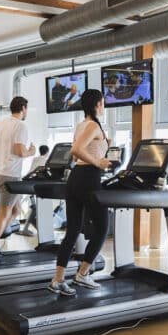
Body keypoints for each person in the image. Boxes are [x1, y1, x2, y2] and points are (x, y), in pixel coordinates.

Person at [48, 89, 111, 296]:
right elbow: (75, 151)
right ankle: (83, 273)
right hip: (89, 178)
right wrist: (99, 163)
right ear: (97, 104)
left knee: (73, 230)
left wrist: (98, 155)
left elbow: (76, 157)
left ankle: (58, 280)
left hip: (76, 178)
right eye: (102, 103)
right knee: (102, 228)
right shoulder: (93, 125)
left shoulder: (81, 125)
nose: (103, 106)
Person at [0, 96, 36, 262]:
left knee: (16, 210)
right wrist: (31, 152)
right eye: (26, 109)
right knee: (4, 214)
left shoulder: (1, 122)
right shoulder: (21, 125)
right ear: (23, 108)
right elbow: (20, 151)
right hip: (9, 175)